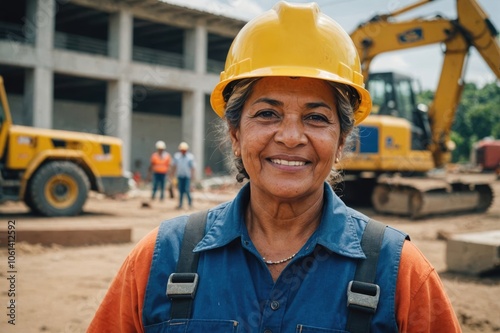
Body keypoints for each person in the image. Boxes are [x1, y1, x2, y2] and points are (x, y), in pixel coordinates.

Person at [88, 2, 461, 332]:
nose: (291, 136)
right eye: (267, 114)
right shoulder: (160, 258)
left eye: (316, 117)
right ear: (235, 133)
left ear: (342, 141)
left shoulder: (402, 274)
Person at [171, 141, 195, 209]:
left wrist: (192, 176)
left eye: (184, 150)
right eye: (182, 150)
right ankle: (180, 204)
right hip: (180, 176)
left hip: (187, 176)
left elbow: (192, 167)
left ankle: (190, 204)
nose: (183, 151)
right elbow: (174, 166)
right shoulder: (177, 156)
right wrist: (172, 174)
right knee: (180, 191)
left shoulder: (190, 157)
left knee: (187, 190)